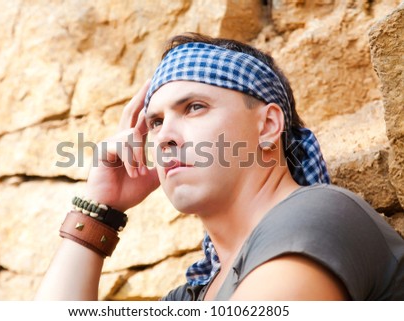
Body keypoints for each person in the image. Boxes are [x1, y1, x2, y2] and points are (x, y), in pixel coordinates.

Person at [35, 33, 404, 301]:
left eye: (194, 107)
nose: (164, 137)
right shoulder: (194, 295)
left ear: (268, 126)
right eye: (156, 122)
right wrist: (102, 209)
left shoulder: (319, 217)